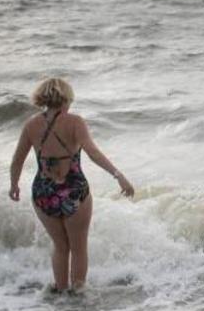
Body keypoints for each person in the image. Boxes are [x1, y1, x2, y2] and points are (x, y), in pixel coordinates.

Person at [9, 78, 135, 292]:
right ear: (66, 99)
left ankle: (60, 291)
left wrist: (14, 185)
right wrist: (118, 175)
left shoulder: (31, 125)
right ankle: (77, 295)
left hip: (43, 193)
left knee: (60, 246)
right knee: (78, 248)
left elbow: (17, 160)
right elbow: (93, 153)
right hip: (73, 190)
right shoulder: (75, 122)